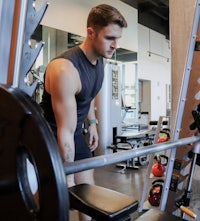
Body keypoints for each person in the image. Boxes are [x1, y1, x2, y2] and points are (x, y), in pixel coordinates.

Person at [40, 4, 127, 221]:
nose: (115, 45)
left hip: (73, 133)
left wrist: (93, 124)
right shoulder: (64, 70)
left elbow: (85, 98)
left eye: (118, 38)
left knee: (87, 194)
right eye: (109, 38)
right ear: (91, 32)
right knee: (55, 200)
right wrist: (68, 177)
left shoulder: (100, 62)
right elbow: (64, 131)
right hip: (50, 138)